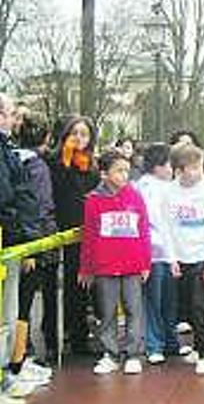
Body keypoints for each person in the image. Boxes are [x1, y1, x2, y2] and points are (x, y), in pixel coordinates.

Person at [78, 150, 151, 375]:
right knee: (107, 311)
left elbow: (144, 231)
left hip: (132, 265)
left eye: (127, 170)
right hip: (104, 266)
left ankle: (133, 353)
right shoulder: (93, 201)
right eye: (119, 170)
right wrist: (86, 268)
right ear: (104, 173)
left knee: (133, 309)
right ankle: (109, 353)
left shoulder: (136, 196)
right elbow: (89, 237)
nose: (124, 175)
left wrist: (145, 262)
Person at [163, 143, 204, 375]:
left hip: (202, 256)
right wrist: (172, 258)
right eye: (193, 168)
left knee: (200, 306)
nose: (198, 172)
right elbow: (167, 227)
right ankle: (197, 347)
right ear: (179, 170)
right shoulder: (169, 193)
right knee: (187, 306)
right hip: (181, 256)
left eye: (200, 167)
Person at [9, 111, 56, 387]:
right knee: (22, 306)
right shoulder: (35, 166)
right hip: (30, 245)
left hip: (20, 241)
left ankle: (18, 358)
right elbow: (35, 207)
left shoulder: (15, 158)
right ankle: (19, 360)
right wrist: (32, 250)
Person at [49, 115, 99, 355]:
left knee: (81, 284)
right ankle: (63, 332)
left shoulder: (92, 166)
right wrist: (65, 161)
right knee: (65, 282)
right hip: (60, 228)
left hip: (86, 232)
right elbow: (58, 189)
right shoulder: (55, 162)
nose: (79, 138)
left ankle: (79, 332)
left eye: (84, 134)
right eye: (74, 133)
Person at [135, 144, 179, 365]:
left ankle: (170, 341)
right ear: (157, 166)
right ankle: (154, 344)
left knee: (169, 299)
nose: (172, 169)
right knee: (155, 299)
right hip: (153, 253)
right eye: (169, 164)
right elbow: (154, 221)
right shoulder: (145, 187)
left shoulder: (168, 186)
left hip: (168, 252)